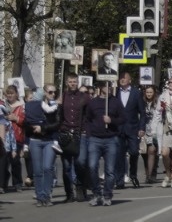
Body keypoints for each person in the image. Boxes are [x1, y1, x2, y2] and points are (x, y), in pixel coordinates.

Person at [84, 81, 125, 207]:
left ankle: (107, 194)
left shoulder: (115, 102)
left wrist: (111, 120)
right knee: (92, 167)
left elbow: (123, 118)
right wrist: (90, 133)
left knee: (110, 171)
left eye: (111, 86)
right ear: (101, 87)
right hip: (95, 139)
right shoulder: (93, 102)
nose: (110, 88)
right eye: (107, 86)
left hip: (111, 139)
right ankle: (97, 193)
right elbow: (88, 119)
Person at [24, 83, 61, 207]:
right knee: (38, 171)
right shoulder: (33, 106)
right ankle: (40, 196)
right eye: (50, 92)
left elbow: (57, 124)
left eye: (54, 92)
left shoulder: (55, 107)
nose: (53, 94)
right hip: (35, 141)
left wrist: (43, 128)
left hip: (49, 140)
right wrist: (32, 128)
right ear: (44, 92)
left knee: (47, 168)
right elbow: (26, 123)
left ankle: (47, 195)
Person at [59, 73, 90, 202]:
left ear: (78, 83)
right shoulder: (62, 96)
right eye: (70, 81)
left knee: (80, 162)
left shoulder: (84, 97)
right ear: (67, 82)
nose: (73, 84)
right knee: (66, 166)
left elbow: (89, 116)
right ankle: (69, 193)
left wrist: (86, 131)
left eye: (75, 82)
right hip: (65, 133)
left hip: (80, 133)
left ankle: (80, 186)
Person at [114, 72, 146, 189]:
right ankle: (119, 180)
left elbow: (142, 113)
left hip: (132, 128)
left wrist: (142, 128)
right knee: (119, 155)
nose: (122, 79)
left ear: (130, 80)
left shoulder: (136, 93)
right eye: (120, 77)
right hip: (118, 129)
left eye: (124, 78)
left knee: (134, 152)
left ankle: (133, 174)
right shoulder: (115, 92)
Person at [141, 85, 160, 183]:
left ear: (154, 93)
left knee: (152, 151)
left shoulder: (158, 103)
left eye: (150, 92)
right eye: (147, 92)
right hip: (143, 130)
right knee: (144, 153)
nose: (149, 94)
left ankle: (150, 175)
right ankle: (148, 172)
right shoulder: (142, 103)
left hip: (154, 130)